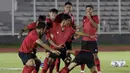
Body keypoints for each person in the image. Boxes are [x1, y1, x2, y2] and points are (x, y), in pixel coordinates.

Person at [81, 5, 101, 73]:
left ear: (92, 10)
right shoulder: (84, 17)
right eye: (87, 9)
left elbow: (96, 26)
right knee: (83, 56)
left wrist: (90, 18)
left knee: (95, 56)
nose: (88, 10)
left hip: (92, 40)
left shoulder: (95, 17)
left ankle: (99, 71)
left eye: (90, 9)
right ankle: (82, 71)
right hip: (84, 40)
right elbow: (83, 27)